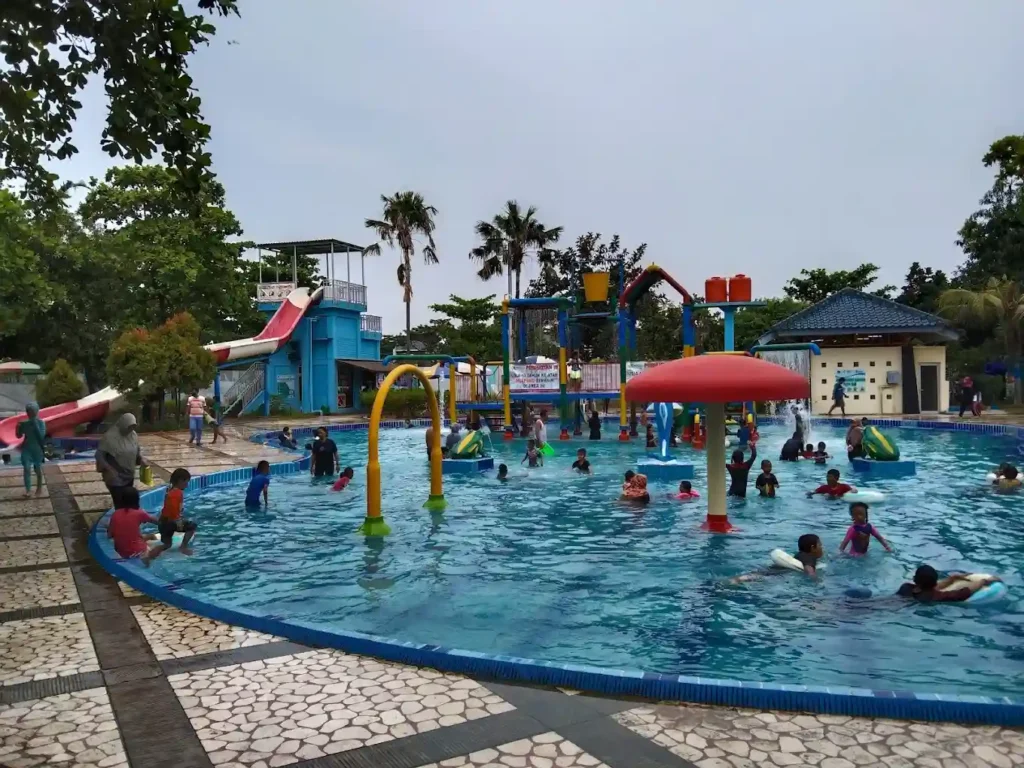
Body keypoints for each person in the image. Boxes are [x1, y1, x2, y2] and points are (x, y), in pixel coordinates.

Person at [97, 413, 149, 510]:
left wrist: (141, 459)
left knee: (128, 501)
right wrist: (109, 469)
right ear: (123, 424)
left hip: (129, 474)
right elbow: (99, 456)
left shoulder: (133, 435)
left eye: (133, 426)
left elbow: (136, 452)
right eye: (129, 427)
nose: (131, 429)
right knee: (119, 502)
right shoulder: (109, 437)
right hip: (115, 476)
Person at [107, 487, 163, 565]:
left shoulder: (115, 514)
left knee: (141, 537)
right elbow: (157, 522)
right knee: (159, 552)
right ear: (137, 500)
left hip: (121, 551)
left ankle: (151, 537)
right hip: (138, 551)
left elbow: (109, 535)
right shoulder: (140, 513)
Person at [732, 534, 823, 582]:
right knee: (748, 579)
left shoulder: (801, 554)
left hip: (772, 570)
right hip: (775, 574)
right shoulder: (809, 557)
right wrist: (815, 580)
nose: (821, 547)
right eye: (820, 545)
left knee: (744, 578)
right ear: (813, 548)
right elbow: (809, 569)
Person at [896, 565, 1001, 602]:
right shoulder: (935, 597)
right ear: (935, 583)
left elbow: (925, 588)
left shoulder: (905, 587)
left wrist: (952, 579)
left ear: (914, 579)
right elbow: (966, 592)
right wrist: (983, 581)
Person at [158, 468, 197, 555]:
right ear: (180, 481)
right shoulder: (178, 493)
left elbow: (166, 509)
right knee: (192, 526)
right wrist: (179, 522)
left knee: (167, 545)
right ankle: (183, 547)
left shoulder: (169, 490)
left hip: (163, 523)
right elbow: (173, 510)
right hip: (170, 523)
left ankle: (151, 554)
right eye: (186, 482)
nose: (187, 485)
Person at [15, 402, 46, 498]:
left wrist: (35, 424)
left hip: (37, 449)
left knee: (37, 469)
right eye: (28, 412)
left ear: (36, 412)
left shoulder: (41, 423)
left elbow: (41, 436)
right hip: (27, 448)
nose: (30, 414)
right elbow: (19, 436)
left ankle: (39, 488)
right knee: (26, 468)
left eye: (32, 412)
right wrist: (17, 428)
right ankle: (28, 490)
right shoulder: (25, 423)